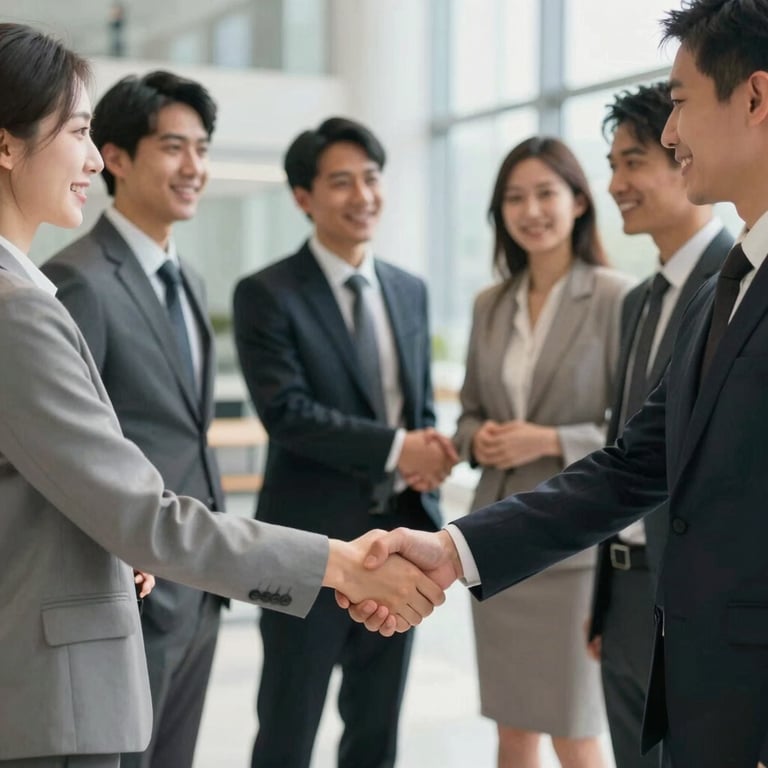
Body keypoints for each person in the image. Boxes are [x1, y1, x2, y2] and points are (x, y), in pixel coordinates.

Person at [0, 23, 442, 767]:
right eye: (78, 131)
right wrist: (338, 564)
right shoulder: (20, 308)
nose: (87, 156)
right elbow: (137, 508)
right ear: (7, 145)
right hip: (59, 689)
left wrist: (112, 532)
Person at [349, 1, 768, 764]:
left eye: (678, 104)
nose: (670, 135)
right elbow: (633, 463)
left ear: (755, 98)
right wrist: (453, 551)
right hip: (708, 699)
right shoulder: (723, 288)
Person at [233, 116, 457, 768]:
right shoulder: (267, 293)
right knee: (288, 724)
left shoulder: (408, 290)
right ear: (303, 197)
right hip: (308, 545)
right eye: (340, 182)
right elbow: (287, 414)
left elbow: (412, 405)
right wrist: (396, 448)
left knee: (376, 728)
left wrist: (425, 460)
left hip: (399, 543)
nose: (362, 195)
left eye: (371, 177)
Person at [42, 71, 228, 768]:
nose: (195, 168)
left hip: (200, 590)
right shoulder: (77, 280)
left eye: (202, 149)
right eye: (174, 147)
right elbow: (65, 452)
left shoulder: (191, 280)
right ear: (114, 157)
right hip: (133, 587)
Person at [453, 136, 632, 768]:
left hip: (573, 547)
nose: (531, 210)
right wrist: (476, 437)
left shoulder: (617, 297)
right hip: (497, 539)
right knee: (511, 730)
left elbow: (635, 431)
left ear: (579, 202)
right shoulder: (489, 304)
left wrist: (551, 440)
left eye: (546, 193)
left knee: (575, 731)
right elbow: (468, 411)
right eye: (514, 198)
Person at [586, 82, 732, 768]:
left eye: (632, 161)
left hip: (701, 610)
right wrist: (603, 601)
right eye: (611, 164)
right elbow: (629, 454)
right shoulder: (639, 300)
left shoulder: (735, 281)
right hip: (625, 599)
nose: (614, 183)